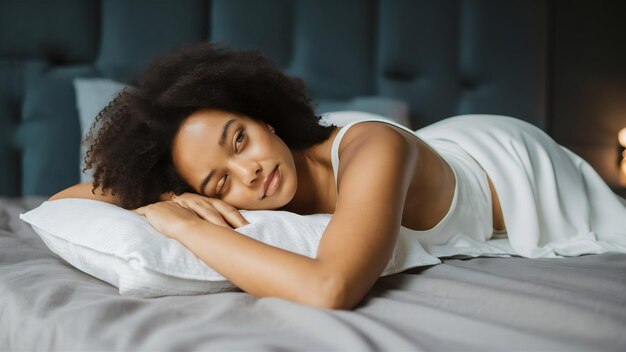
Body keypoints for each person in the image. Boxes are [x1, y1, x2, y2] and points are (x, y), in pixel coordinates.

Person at [49, 43, 625, 310]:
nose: (248, 171)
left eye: (240, 138)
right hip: (443, 148)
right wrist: (163, 195)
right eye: (219, 182)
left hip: (512, 164)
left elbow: (331, 288)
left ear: (264, 116)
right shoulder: (237, 181)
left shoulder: (376, 145)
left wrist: (185, 228)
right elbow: (64, 201)